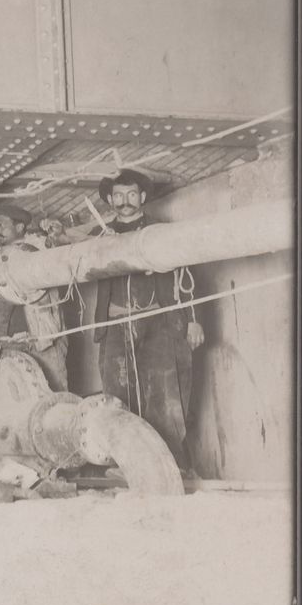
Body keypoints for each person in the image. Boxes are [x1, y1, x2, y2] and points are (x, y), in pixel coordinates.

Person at [89, 169, 204, 466]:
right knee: (117, 397)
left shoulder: (161, 232)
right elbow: (74, 254)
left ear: (141, 197)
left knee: (165, 397)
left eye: (131, 194)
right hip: (115, 327)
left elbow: (185, 275)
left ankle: (171, 465)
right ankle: (126, 467)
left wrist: (193, 319)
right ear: (110, 200)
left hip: (159, 324)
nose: (124, 201)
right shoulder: (101, 236)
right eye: (118, 195)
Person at [0, 206, 70, 392]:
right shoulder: (0, 255)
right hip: (8, 341)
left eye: (1, 225)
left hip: (43, 338)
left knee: (56, 394)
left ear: (20, 227)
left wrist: (56, 234)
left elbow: (58, 246)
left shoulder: (39, 247)